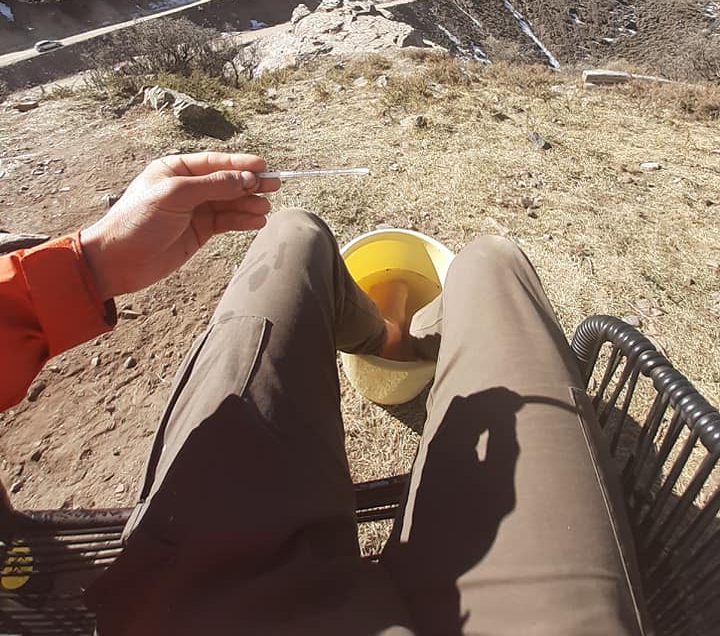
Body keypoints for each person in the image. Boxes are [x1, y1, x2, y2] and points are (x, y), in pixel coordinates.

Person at [0, 152, 650, 636]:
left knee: (295, 233)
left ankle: (392, 340)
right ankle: (411, 342)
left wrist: (91, 263)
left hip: (194, 597)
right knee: (490, 264)